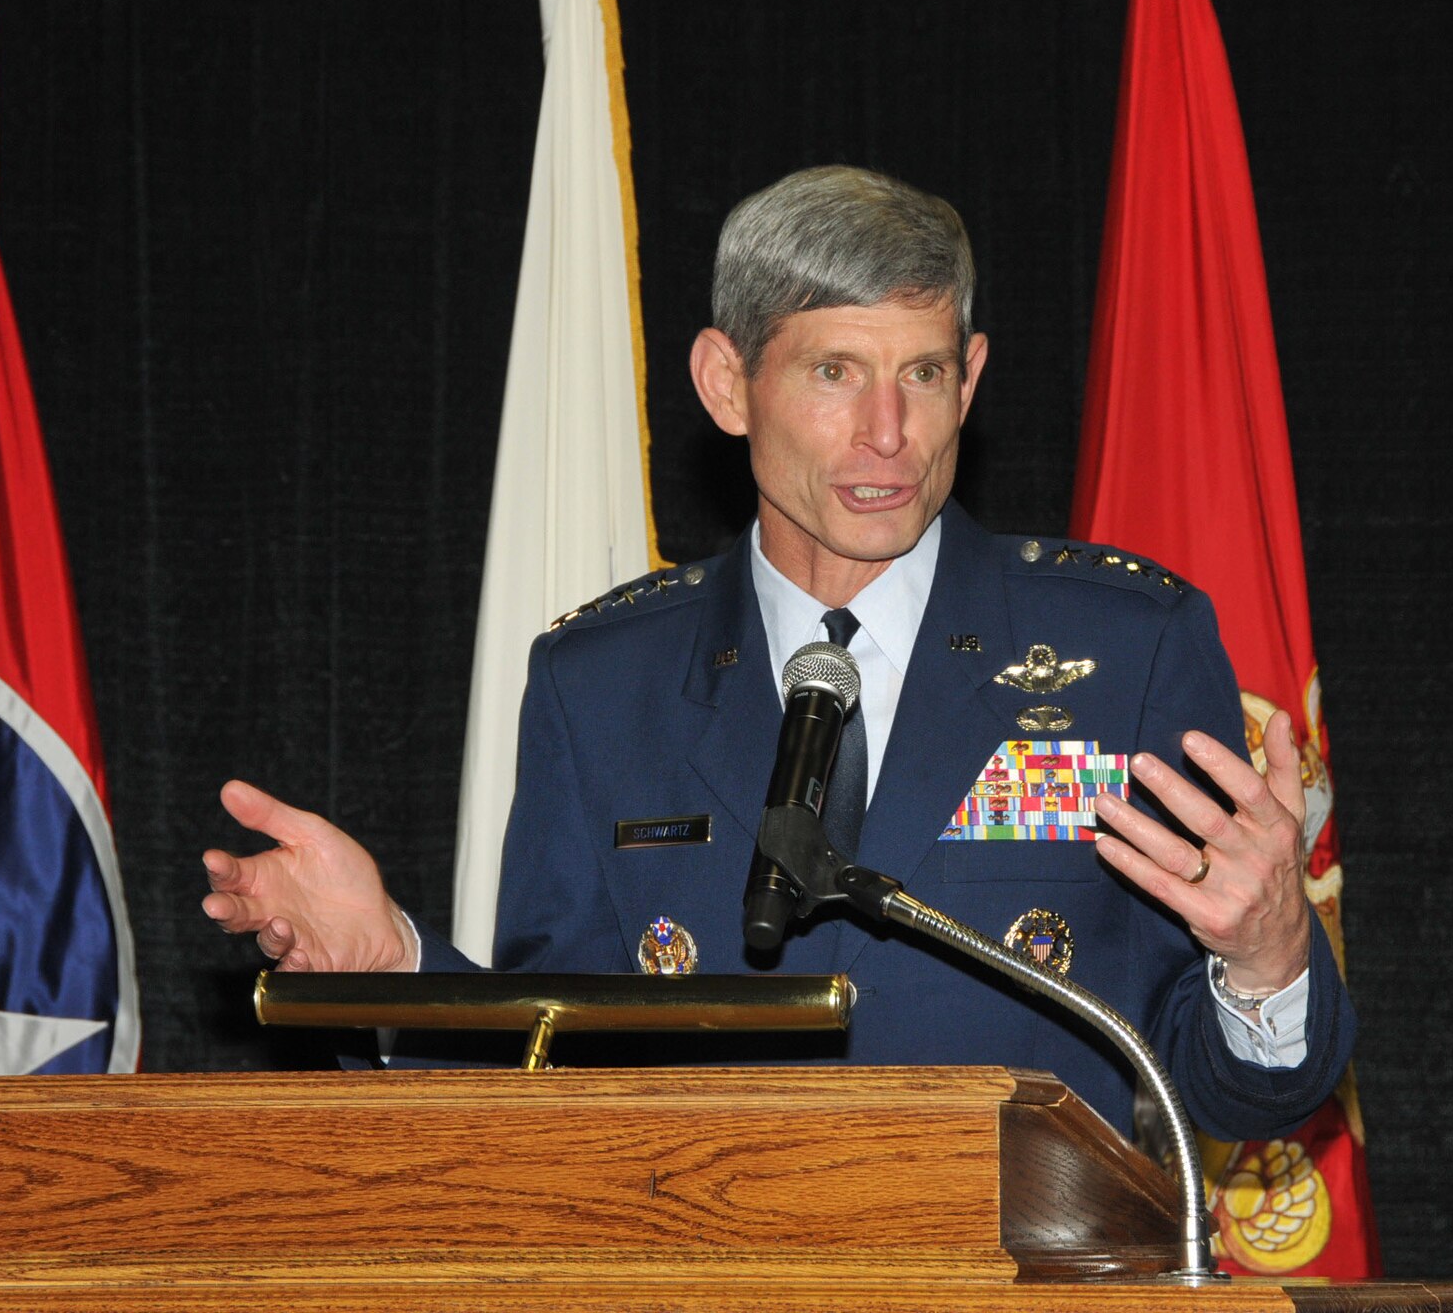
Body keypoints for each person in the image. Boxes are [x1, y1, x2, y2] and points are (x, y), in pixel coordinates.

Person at [203, 166, 1355, 1142]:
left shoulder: (1127, 648)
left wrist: (1267, 958)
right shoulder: (600, 683)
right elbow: (553, 1084)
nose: (888, 435)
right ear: (724, 383)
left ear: (972, 378)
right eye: (832, 372)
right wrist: (395, 963)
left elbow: (1235, 1092)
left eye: (923, 372)